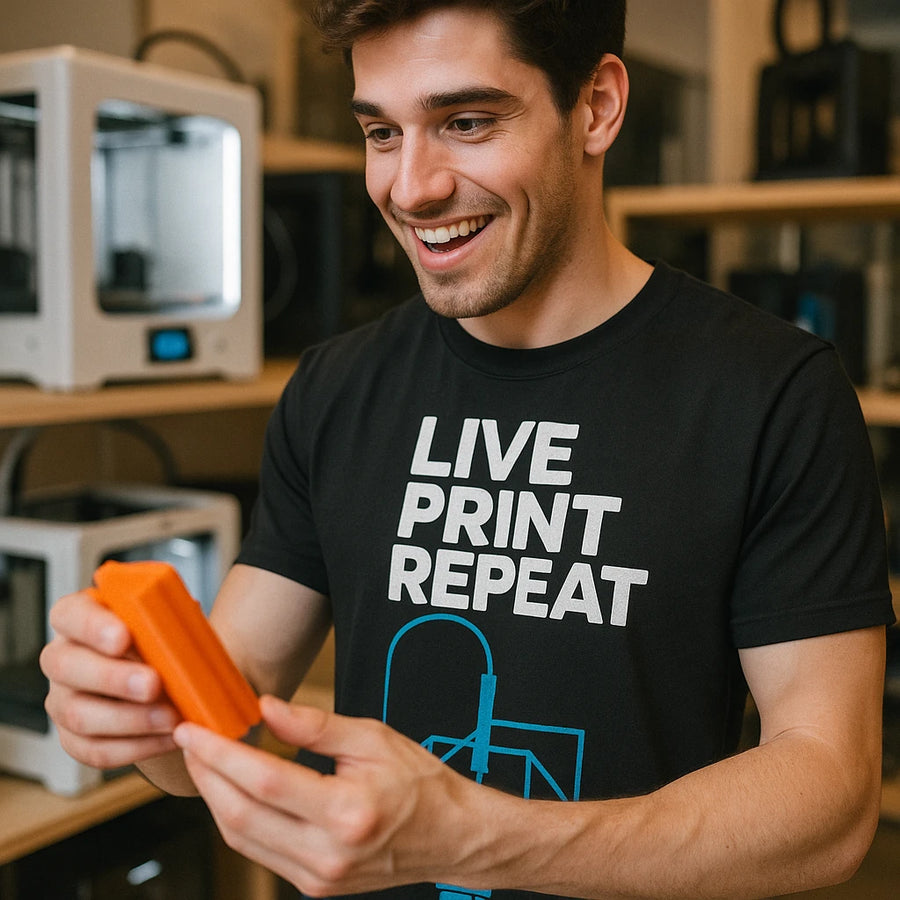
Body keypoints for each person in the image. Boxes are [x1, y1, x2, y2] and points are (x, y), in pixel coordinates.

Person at [40, 1, 895, 898]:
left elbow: (830, 795)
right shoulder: (335, 390)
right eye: (381, 131)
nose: (410, 188)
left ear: (597, 106)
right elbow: (229, 706)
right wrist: (138, 716)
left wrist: (479, 839)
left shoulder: (773, 392)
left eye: (467, 122)